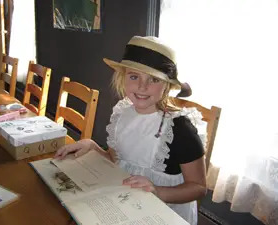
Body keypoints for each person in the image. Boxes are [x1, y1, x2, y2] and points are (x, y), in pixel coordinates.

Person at [55, 36, 207, 225]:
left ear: (167, 85)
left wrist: (158, 191)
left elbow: (199, 187)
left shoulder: (180, 128)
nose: (142, 86)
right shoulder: (122, 113)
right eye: (134, 76)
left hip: (164, 211)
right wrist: (92, 146)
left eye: (153, 79)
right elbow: (117, 160)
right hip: (125, 202)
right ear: (122, 78)